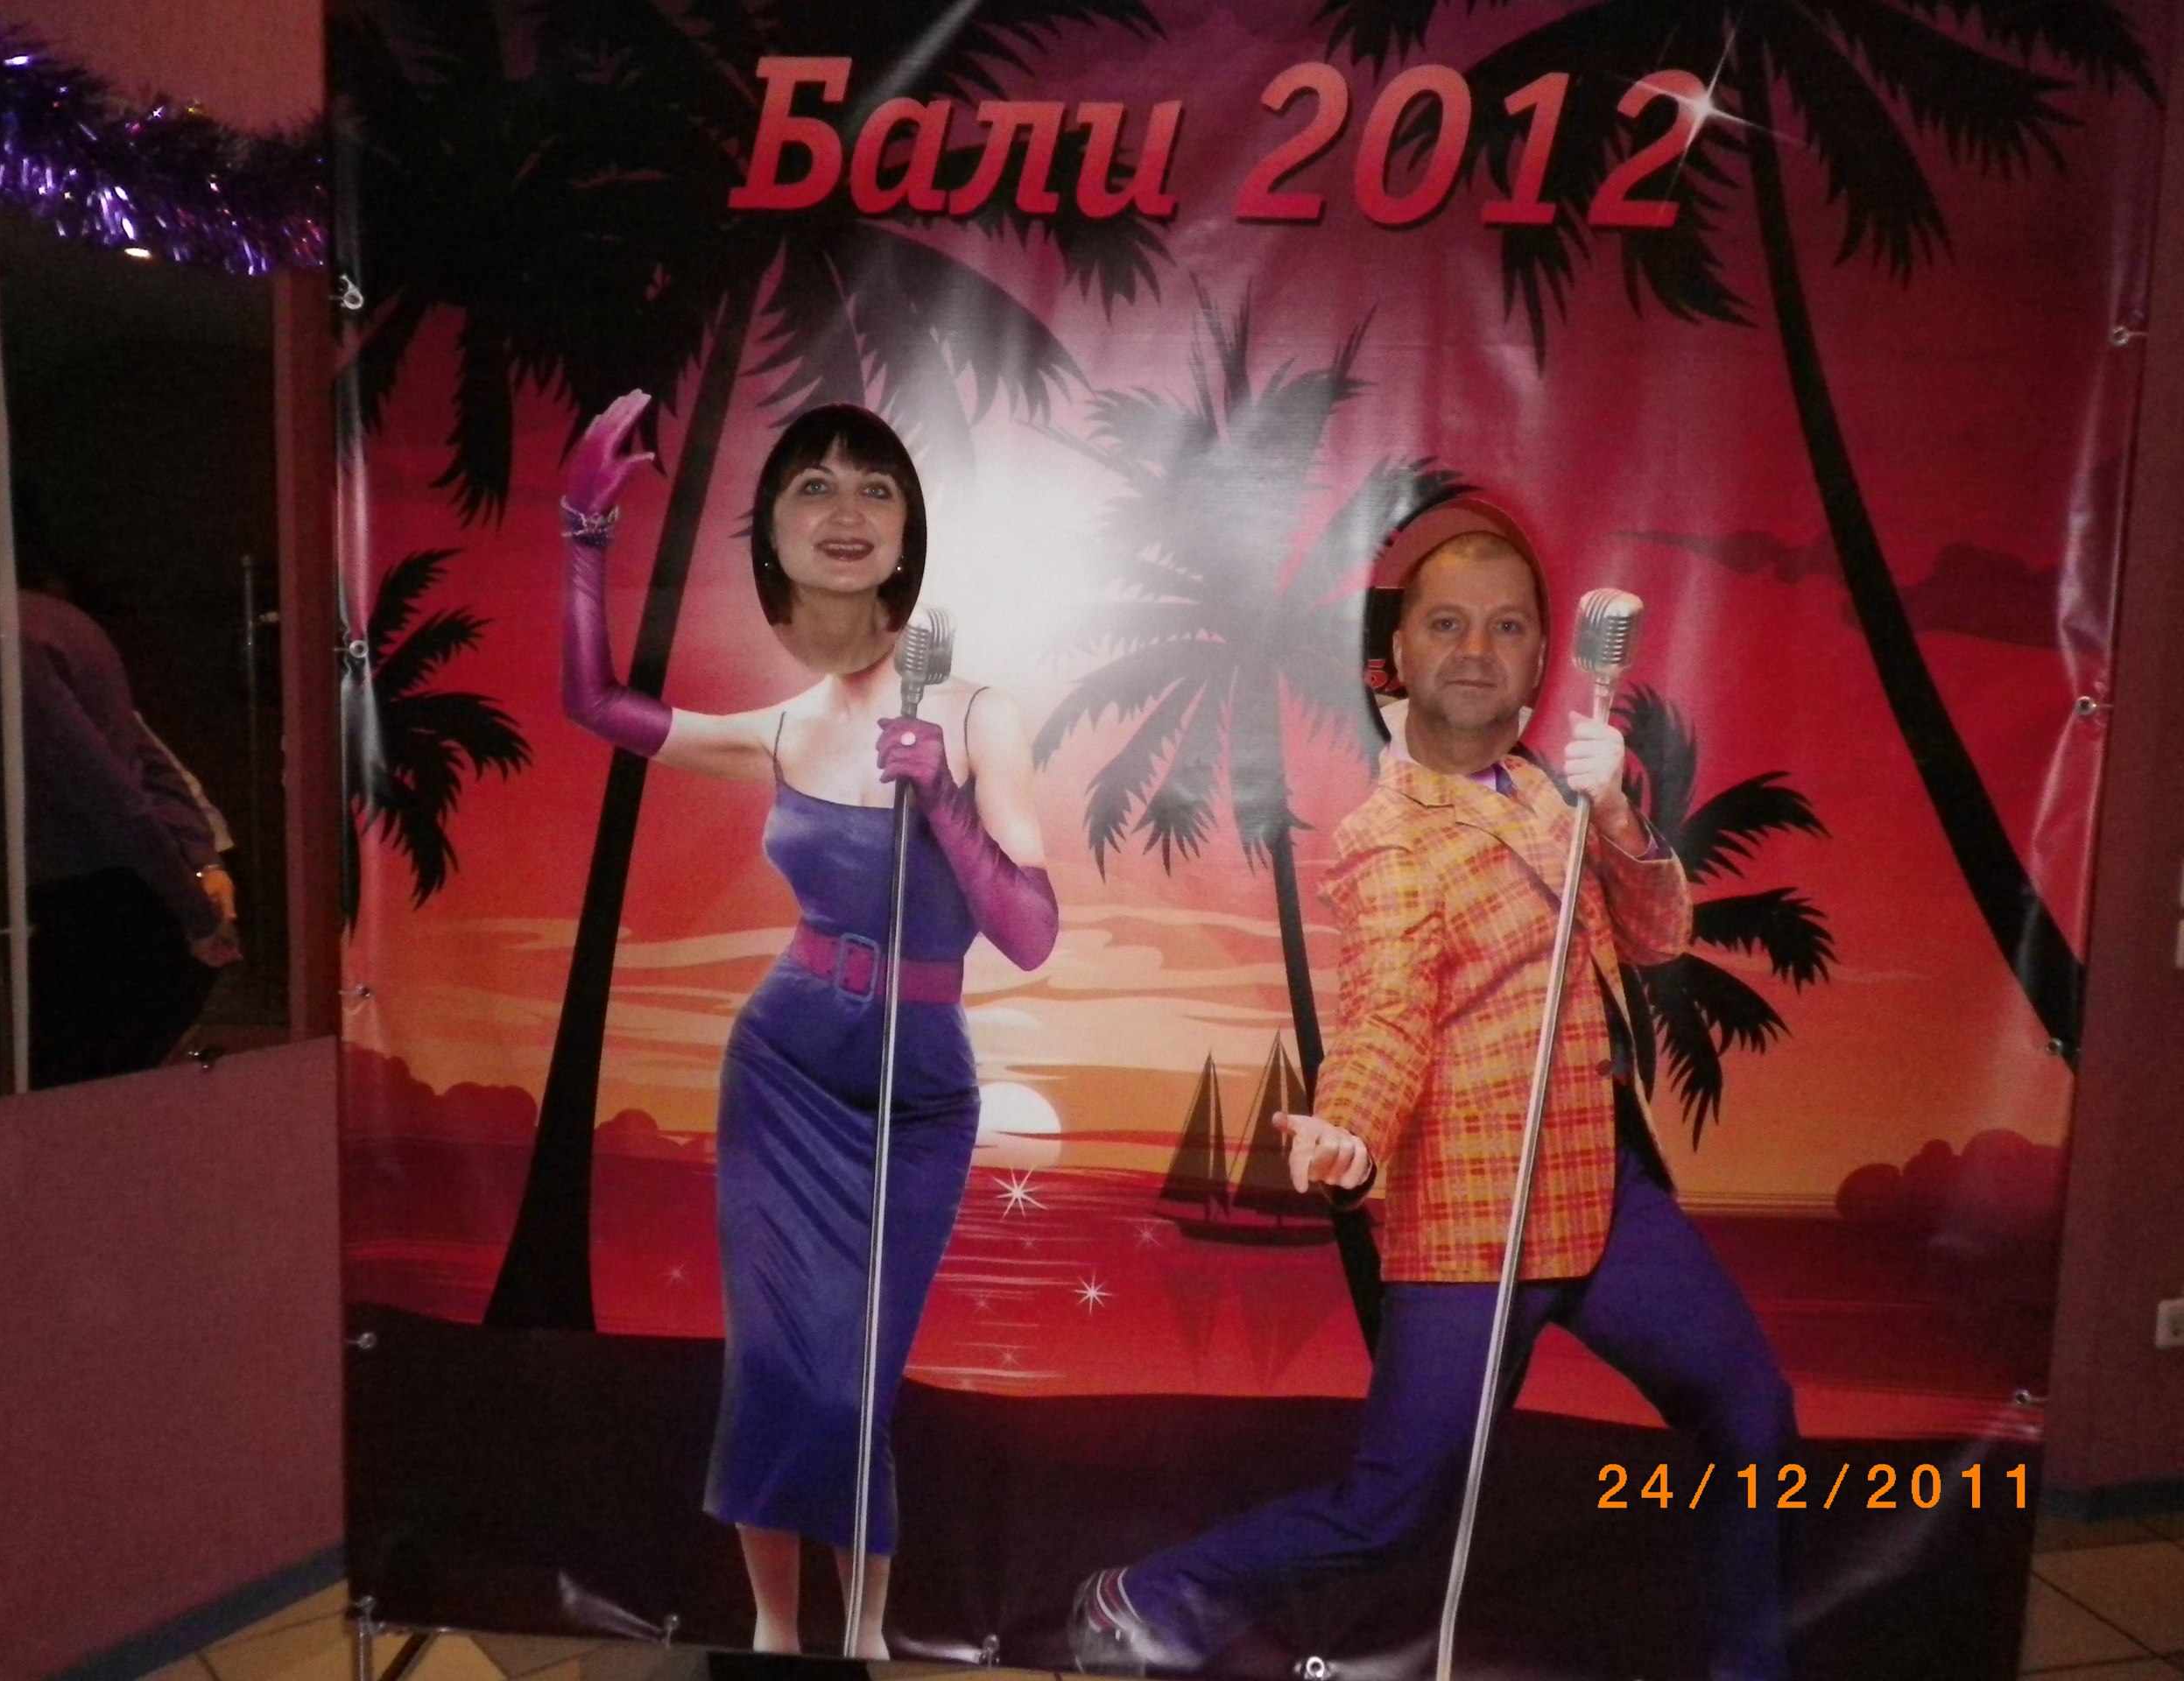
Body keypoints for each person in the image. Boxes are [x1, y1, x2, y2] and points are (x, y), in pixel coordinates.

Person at [1068, 499, 1794, 1680]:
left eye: (1507, 627)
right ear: (1393, 660)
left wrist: (1617, 811)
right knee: (1390, 1512)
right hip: (1472, 1219)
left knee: (1751, 1412)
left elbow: (1659, 939)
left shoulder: (1551, 792)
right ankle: (1145, 1596)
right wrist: (1350, 1129)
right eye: (1446, 624)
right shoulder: (1387, 839)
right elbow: (1388, 1014)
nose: (1476, 648)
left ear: (1542, 661)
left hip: (1599, 1192)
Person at [560, 391, 1058, 1656]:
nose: (846, 509)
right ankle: (777, 1638)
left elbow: (1032, 932)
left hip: (917, 1094)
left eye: (875, 487)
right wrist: (582, 536)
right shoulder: (782, 729)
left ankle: (867, 1639)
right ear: (773, 538)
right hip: (781, 1071)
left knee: (855, 1383)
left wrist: (942, 795)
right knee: (774, 1372)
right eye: (814, 486)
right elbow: (598, 706)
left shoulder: (979, 712)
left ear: (907, 539)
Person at [18, 552, 240, 1087]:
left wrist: (195, 906)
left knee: (72, 1090)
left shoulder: (21, 638)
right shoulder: (57, 623)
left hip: (93, 890)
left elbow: (111, 792)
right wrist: (202, 865)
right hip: (132, 873)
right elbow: (146, 758)